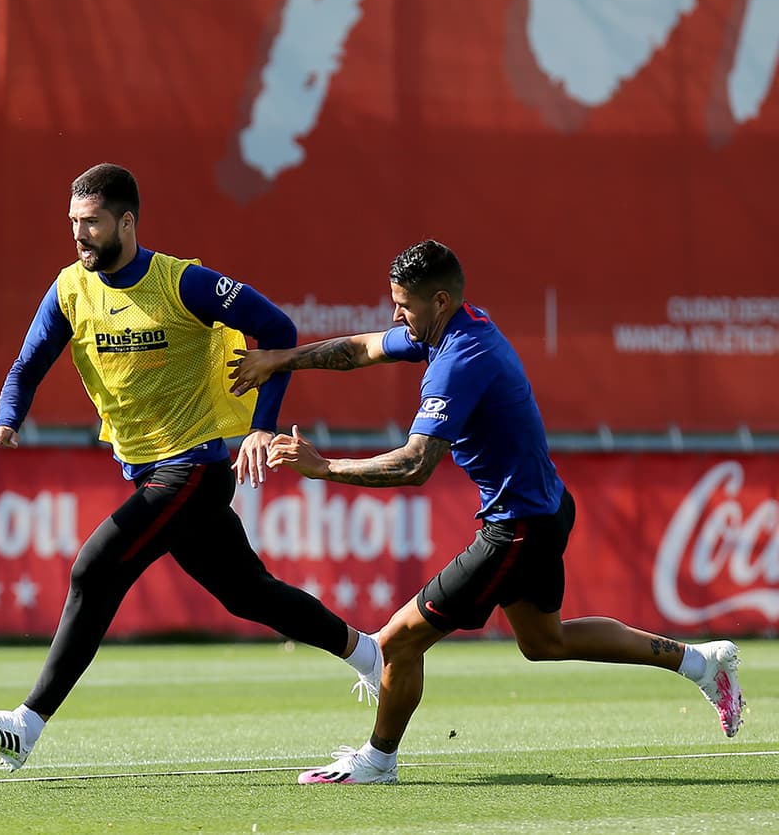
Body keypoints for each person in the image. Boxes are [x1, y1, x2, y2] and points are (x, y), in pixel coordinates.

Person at [228, 238, 746, 786]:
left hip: (517, 527)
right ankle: (699, 662)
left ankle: (377, 762)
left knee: (396, 642)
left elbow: (415, 465)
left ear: (441, 300)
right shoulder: (456, 325)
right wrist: (282, 359)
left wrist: (324, 467)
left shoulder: (459, 359)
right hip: (544, 508)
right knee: (545, 642)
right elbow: (361, 349)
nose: (395, 314)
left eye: (404, 304)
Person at [0, 163, 381, 772]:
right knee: (249, 594)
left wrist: (261, 425)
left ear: (126, 223)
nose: (79, 236)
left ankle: (25, 726)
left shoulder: (183, 283)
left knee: (93, 569)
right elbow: (28, 364)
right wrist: (8, 419)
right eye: (73, 223)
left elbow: (278, 330)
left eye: (92, 223)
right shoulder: (70, 288)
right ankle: (371, 656)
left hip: (192, 470)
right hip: (148, 472)